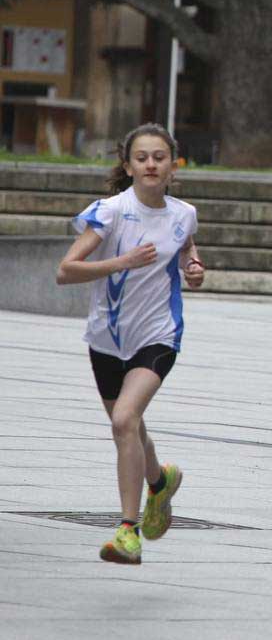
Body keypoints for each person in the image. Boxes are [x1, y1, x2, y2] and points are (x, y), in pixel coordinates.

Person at [58, 123, 204, 564]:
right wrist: (122, 261)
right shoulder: (111, 211)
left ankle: (127, 531)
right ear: (128, 165)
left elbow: (186, 251)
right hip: (106, 338)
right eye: (142, 157)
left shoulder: (183, 214)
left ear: (172, 165)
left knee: (124, 420)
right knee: (132, 427)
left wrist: (194, 268)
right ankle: (159, 483)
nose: (151, 164)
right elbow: (65, 270)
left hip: (158, 334)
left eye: (159, 157)